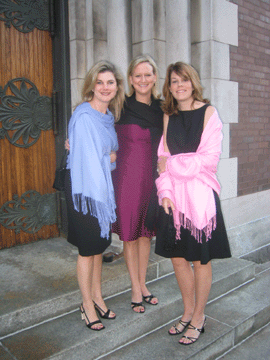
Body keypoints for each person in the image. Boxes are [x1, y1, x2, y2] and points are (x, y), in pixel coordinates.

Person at [155, 62, 231, 345]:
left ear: (193, 82)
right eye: (174, 81)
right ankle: (187, 311)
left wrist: (172, 164)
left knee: (200, 260)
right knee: (177, 258)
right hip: (173, 200)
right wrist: (164, 190)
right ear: (169, 86)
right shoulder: (167, 115)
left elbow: (208, 160)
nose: (179, 86)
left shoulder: (209, 113)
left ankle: (199, 316)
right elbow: (160, 160)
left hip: (200, 199)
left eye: (184, 80)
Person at [64, 60, 125, 331]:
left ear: (116, 87)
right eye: (99, 82)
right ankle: (86, 305)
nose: (105, 87)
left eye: (110, 82)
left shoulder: (108, 117)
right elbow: (90, 158)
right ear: (91, 85)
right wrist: (109, 157)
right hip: (84, 189)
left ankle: (98, 297)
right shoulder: (85, 115)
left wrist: (109, 157)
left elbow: (105, 154)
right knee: (88, 249)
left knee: (99, 246)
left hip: (101, 187)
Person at [112, 55, 163, 313]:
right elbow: (99, 130)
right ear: (131, 79)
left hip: (153, 182)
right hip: (127, 179)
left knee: (146, 235)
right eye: (138, 75)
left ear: (155, 77)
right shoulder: (120, 106)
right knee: (130, 236)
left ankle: (143, 284)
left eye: (148, 74)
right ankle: (135, 288)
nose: (143, 80)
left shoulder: (164, 108)